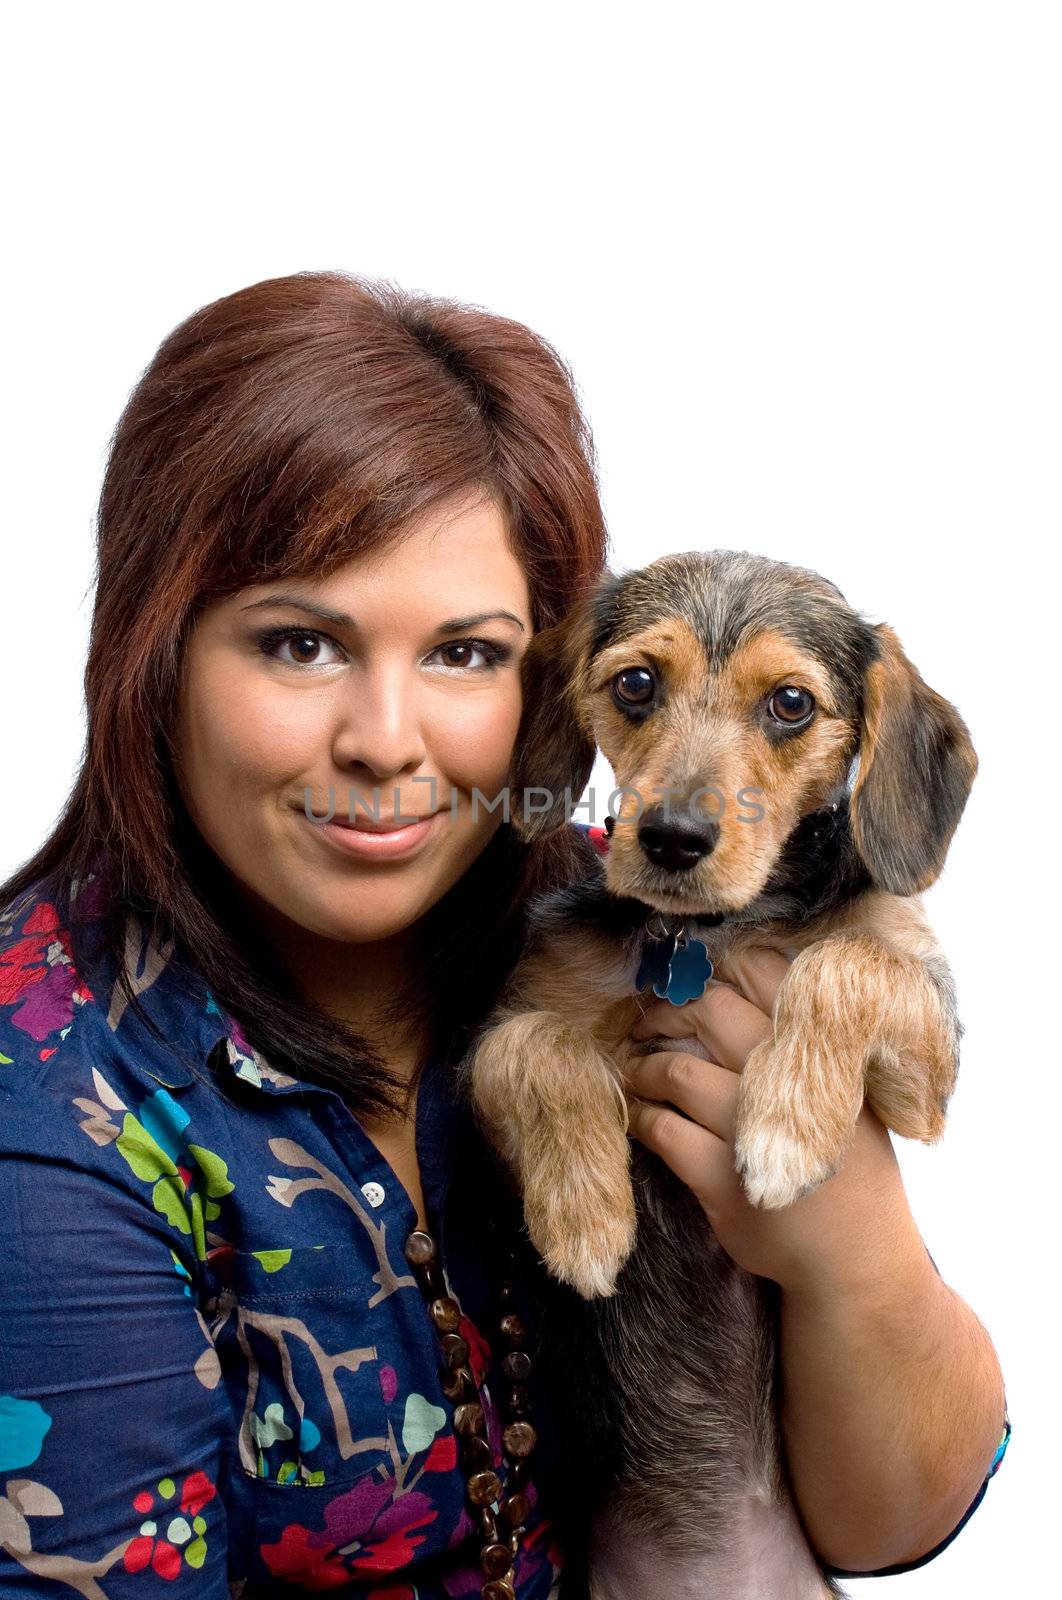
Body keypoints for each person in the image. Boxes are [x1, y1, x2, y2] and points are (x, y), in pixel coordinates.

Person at [0, 271, 1008, 1597]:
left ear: (543, 687)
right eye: (298, 644)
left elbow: (889, 1524)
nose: (383, 740)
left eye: (465, 653)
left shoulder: (632, 906)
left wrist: (850, 1249)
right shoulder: (49, 1116)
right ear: (153, 649)